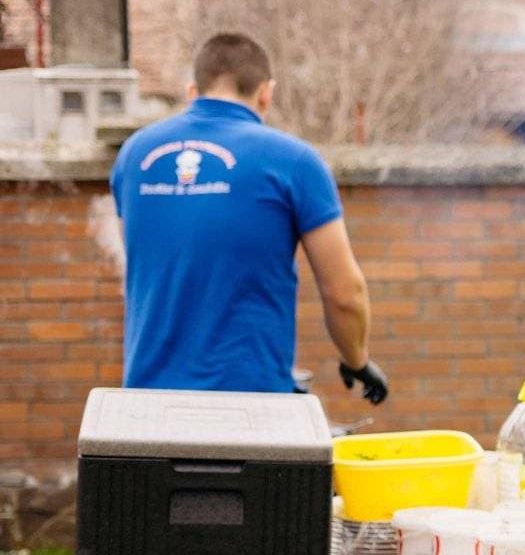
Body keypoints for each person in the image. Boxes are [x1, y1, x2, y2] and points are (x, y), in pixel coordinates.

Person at [109, 32, 388, 403]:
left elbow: (152, 256)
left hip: (147, 403)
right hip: (249, 405)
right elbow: (344, 294)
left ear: (194, 91)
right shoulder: (293, 161)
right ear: (266, 93)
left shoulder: (134, 156)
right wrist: (356, 359)